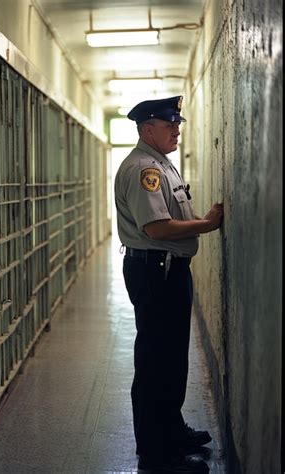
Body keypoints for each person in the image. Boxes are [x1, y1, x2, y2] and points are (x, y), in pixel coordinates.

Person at [114, 96, 224, 473]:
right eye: (169, 124)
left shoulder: (163, 164)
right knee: (157, 362)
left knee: (171, 358)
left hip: (167, 268)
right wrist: (207, 224)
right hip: (155, 270)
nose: (177, 129)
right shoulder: (146, 170)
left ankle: (171, 432)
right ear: (148, 129)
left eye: (177, 123)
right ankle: (157, 452)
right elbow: (157, 227)